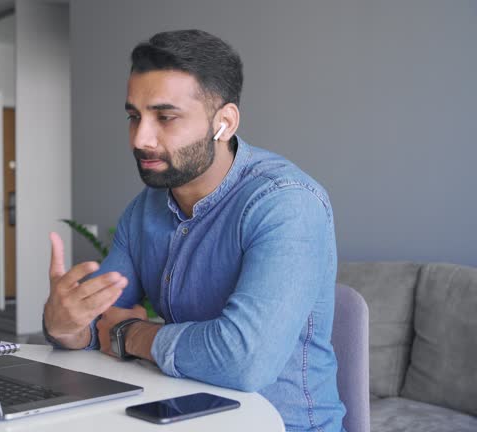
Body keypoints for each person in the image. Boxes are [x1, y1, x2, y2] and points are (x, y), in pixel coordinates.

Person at [43, 29, 346, 432]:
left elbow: (244, 361)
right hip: (184, 418)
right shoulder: (144, 211)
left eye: (165, 117)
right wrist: (63, 324)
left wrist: (132, 334)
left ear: (224, 122)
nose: (140, 138)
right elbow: (96, 324)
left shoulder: (287, 203)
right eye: (134, 116)